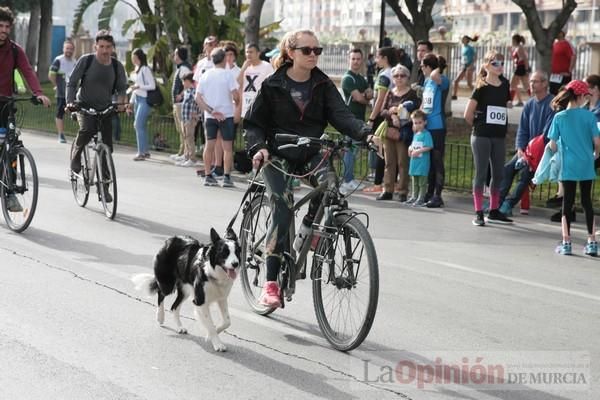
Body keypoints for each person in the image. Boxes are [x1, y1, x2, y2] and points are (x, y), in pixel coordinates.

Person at [243, 30, 371, 308]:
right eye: (307, 50)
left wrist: (366, 134)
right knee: (282, 206)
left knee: (332, 189)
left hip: (311, 152)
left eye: (317, 50)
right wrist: (259, 147)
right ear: (291, 53)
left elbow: (342, 115)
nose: (313, 54)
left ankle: (307, 232)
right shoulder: (273, 84)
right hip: (278, 155)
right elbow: (253, 123)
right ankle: (271, 282)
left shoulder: (323, 85)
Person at [0, 6, 50, 212]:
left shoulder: (14, 50)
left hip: (6, 103)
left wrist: (38, 92)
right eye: (0, 26)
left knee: (10, 145)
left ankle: (9, 192)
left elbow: (28, 71)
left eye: (6, 26)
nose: (3, 30)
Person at [547, 80, 600, 256]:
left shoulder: (559, 117)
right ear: (582, 96)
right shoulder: (590, 116)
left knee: (567, 203)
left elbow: (552, 145)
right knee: (586, 202)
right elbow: (597, 143)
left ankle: (566, 242)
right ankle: (592, 242)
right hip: (586, 163)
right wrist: (595, 155)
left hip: (568, 164)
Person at [66, 30, 128, 182]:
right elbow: (72, 82)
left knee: (107, 147)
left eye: (108, 47)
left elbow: (122, 88)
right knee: (87, 129)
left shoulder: (116, 66)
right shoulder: (86, 61)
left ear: (112, 48)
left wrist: (121, 103)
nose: (105, 50)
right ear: (95, 47)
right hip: (84, 106)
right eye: (101, 46)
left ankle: (105, 186)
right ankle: (76, 156)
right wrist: (70, 102)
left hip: (105, 108)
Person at [464, 50, 513, 226]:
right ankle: (478, 212)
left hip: (499, 136)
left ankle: (493, 210)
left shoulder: (505, 84)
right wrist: (479, 126)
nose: (499, 66)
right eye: (495, 63)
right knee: (481, 173)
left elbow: (504, 105)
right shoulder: (481, 86)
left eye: (501, 63)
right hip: (481, 136)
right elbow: (468, 114)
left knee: (498, 174)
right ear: (486, 66)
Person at [498, 71, 554, 216]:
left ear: (544, 83)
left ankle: (508, 204)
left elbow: (547, 134)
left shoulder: (552, 104)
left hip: (543, 151)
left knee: (525, 176)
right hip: (527, 151)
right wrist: (520, 149)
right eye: (530, 81)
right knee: (508, 169)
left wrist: (531, 154)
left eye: (535, 81)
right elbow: (522, 129)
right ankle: (497, 202)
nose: (532, 84)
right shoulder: (529, 104)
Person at [195, 48, 240, 188]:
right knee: (227, 148)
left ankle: (208, 175)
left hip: (210, 116)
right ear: (224, 59)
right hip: (226, 115)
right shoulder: (228, 75)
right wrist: (236, 102)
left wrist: (211, 111)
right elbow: (236, 96)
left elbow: (197, 97)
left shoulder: (205, 75)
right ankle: (226, 177)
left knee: (209, 146)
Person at [376, 64, 420, 201]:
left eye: (402, 75)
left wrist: (400, 114)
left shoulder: (411, 94)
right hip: (389, 132)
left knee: (403, 162)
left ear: (407, 78)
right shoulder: (390, 92)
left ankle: (402, 191)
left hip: (403, 132)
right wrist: (392, 114)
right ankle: (387, 189)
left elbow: (415, 111)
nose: (399, 78)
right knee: (389, 163)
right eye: (396, 76)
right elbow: (382, 111)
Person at [363, 46, 397, 194]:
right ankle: (390, 183)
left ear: (384, 58)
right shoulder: (393, 72)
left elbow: (380, 98)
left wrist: (372, 117)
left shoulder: (385, 75)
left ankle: (378, 184)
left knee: (380, 150)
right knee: (388, 151)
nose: (376, 60)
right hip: (389, 114)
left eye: (378, 57)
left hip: (381, 116)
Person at [340, 48, 372, 195]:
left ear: (362, 60)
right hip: (350, 119)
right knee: (349, 150)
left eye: (358, 59)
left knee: (354, 149)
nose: (356, 61)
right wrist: (365, 97)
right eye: (353, 59)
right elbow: (360, 98)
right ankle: (347, 181)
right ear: (349, 60)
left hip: (359, 119)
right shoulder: (348, 78)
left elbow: (370, 93)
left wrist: (365, 96)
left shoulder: (361, 78)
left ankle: (349, 179)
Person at [420, 53, 449, 208]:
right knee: (429, 161)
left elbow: (434, 75)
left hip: (437, 126)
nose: (421, 68)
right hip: (427, 126)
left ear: (430, 67)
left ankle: (438, 195)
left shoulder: (441, 80)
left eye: (423, 66)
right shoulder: (426, 82)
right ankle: (429, 192)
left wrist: (437, 66)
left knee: (437, 161)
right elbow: (424, 103)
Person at [128, 48, 155, 161]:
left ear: (139, 58)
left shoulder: (145, 69)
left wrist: (139, 86)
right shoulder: (137, 69)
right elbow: (135, 87)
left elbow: (152, 86)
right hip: (137, 99)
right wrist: (131, 102)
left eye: (135, 58)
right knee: (140, 126)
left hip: (144, 99)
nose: (133, 60)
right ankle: (145, 151)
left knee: (138, 125)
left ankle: (141, 152)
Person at [49, 39, 76, 144]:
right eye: (67, 48)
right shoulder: (58, 60)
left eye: (71, 49)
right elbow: (51, 74)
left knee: (76, 112)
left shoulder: (75, 61)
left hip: (72, 93)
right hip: (61, 93)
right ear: (63, 49)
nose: (69, 50)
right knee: (60, 113)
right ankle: (61, 134)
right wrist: (56, 85)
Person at [169, 46, 192, 163]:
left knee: (184, 129)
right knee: (180, 128)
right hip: (178, 103)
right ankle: (182, 151)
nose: (174, 56)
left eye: (176, 54)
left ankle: (185, 152)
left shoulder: (184, 68)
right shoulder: (180, 67)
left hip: (181, 103)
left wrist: (181, 95)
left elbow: (188, 83)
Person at [238, 43, 273, 117]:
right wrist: (243, 69)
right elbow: (238, 84)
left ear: (258, 53)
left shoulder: (266, 66)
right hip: (246, 108)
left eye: (251, 52)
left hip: (261, 108)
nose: (248, 54)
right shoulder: (245, 67)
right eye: (247, 52)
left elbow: (272, 85)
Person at [406, 110, 433, 206]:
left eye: (420, 123)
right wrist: (410, 148)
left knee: (422, 181)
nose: (418, 125)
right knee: (414, 180)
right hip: (414, 161)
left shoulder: (426, 134)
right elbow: (413, 145)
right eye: (415, 123)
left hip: (422, 162)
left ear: (425, 122)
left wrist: (419, 151)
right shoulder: (415, 134)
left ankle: (421, 198)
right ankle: (414, 196)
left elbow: (429, 146)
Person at [178, 72, 200, 167]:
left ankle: (192, 158)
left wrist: (197, 114)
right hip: (185, 117)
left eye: (184, 81)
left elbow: (199, 102)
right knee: (186, 137)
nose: (183, 83)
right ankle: (187, 156)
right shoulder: (187, 92)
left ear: (188, 81)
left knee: (190, 138)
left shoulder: (193, 91)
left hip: (190, 118)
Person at [452, 35, 478, 100]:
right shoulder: (463, 47)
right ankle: (454, 95)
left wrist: (471, 65)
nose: (462, 40)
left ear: (467, 40)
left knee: (469, 84)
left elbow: (475, 57)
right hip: (464, 66)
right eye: (462, 39)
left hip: (469, 66)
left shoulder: (470, 48)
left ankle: (477, 95)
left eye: (464, 39)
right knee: (456, 81)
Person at [549, 30, 575, 95]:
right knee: (553, 95)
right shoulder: (554, 44)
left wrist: (569, 71)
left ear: (561, 33)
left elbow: (573, 56)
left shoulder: (567, 44)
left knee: (562, 96)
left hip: (563, 75)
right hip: (554, 75)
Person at [510, 34, 530, 107]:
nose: (511, 41)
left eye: (512, 40)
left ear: (515, 40)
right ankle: (519, 101)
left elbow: (524, 59)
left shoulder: (520, 48)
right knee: (517, 85)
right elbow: (516, 59)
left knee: (514, 84)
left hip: (521, 67)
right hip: (519, 67)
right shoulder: (517, 48)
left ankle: (510, 101)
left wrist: (527, 69)